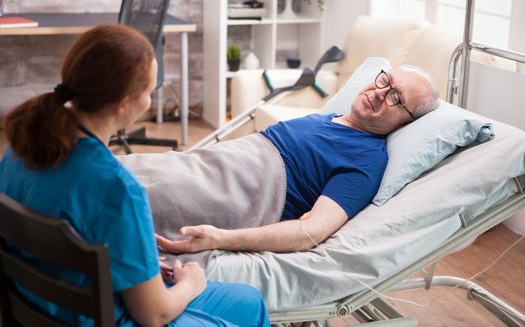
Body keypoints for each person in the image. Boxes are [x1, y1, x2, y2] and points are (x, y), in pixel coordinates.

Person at [0, 24, 270, 327]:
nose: (150, 99)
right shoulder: (118, 188)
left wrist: (133, 246)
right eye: (150, 91)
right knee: (232, 307)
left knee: (249, 302)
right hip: (106, 318)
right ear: (123, 102)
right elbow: (155, 314)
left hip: (39, 303)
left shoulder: (18, 149)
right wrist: (191, 282)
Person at [154, 65, 439, 255]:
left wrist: (221, 239)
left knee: (129, 198)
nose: (379, 93)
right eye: (384, 80)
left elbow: (311, 231)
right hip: (206, 163)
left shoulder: (366, 160)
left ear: (405, 124)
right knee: (127, 171)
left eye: (395, 98)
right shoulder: (326, 119)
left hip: (237, 192)